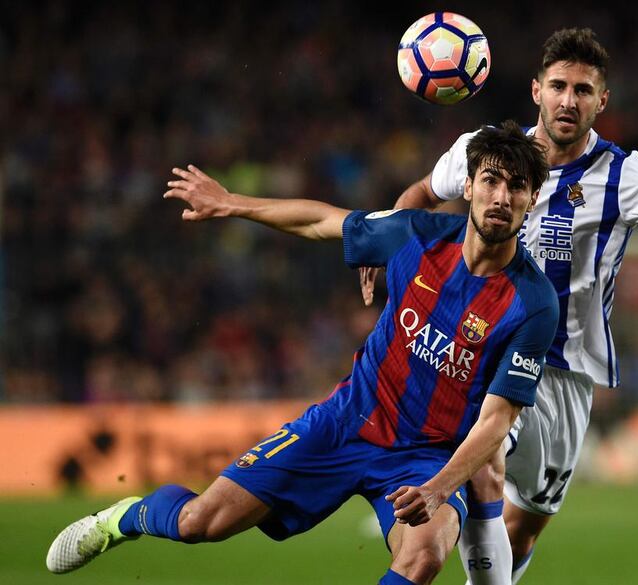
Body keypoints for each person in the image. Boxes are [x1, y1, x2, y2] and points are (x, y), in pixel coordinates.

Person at [46, 122, 559, 585]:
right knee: (200, 522)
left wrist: (439, 488)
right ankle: (121, 519)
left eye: (516, 186)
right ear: (468, 186)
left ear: (532, 198)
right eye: (491, 180)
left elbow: (496, 421)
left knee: (423, 556)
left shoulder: (534, 304)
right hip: (347, 421)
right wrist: (233, 204)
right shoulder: (413, 235)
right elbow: (323, 222)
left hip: (427, 456)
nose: (501, 196)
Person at [360, 28, 638, 585]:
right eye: (558, 85)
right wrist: (381, 241)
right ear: (536, 90)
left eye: (583, 90)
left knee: (525, 525)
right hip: (481, 347)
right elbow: (421, 193)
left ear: (601, 101)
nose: (569, 100)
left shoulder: (622, 175)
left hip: (564, 373)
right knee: (478, 462)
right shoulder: (486, 150)